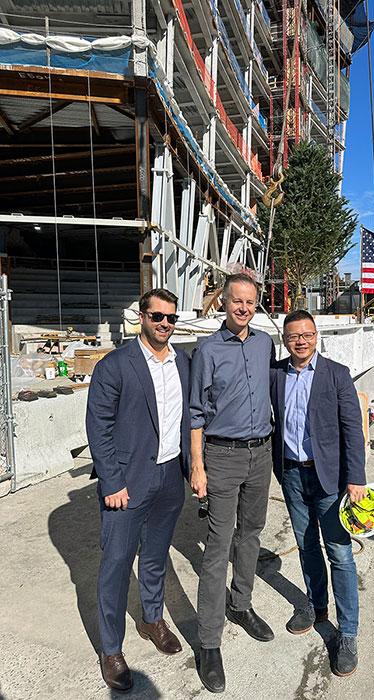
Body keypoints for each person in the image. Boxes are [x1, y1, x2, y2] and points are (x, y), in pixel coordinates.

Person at [86, 289, 191, 692]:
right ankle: (111, 649)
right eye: (157, 316)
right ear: (141, 318)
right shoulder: (115, 366)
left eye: (171, 318)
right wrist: (112, 482)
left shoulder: (183, 363)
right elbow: (99, 426)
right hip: (127, 484)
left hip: (169, 478)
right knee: (115, 565)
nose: (165, 323)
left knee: (155, 557)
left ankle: (151, 619)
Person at [190, 273, 274, 694]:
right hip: (221, 457)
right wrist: (198, 466)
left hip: (261, 454)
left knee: (252, 535)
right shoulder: (206, 350)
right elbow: (195, 414)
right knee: (217, 546)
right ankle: (208, 642)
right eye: (236, 301)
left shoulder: (264, 344)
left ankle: (240, 604)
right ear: (223, 302)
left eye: (250, 302)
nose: (243, 308)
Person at [270, 310, 367, 677]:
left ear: (316, 336)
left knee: (340, 554)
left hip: (331, 479)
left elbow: (352, 431)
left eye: (307, 334)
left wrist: (355, 478)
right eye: (293, 336)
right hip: (293, 474)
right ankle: (315, 605)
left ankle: (349, 633)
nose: (301, 341)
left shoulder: (336, 374)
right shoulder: (276, 374)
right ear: (284, 339)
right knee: (307, 545)